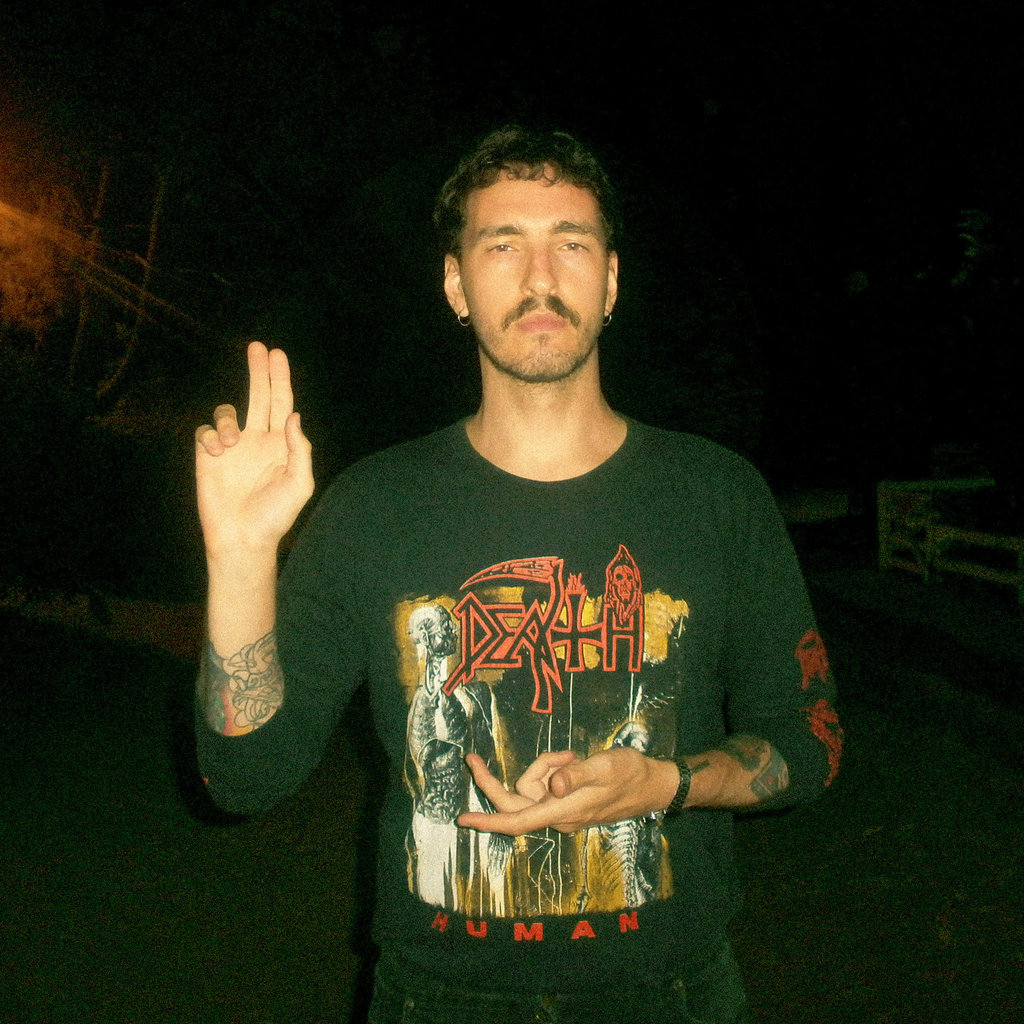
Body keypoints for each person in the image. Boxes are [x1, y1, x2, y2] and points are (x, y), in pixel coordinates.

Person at [194, 125, 843, 1024]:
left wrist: (668, 783)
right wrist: (239, 557)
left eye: (571, 243)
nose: (541, 276)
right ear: (456, 285)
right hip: (436, 995)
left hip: (674, 991)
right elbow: (244, 777)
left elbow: (810, 744)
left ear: (610, 281)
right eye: (503, 245)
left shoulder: (717, 494)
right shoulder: (373, 506)